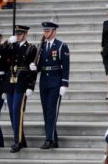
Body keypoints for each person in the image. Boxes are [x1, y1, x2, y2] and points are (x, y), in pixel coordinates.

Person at [37, 21, 70, 149]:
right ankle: (53, 138)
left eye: (48, 31)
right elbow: (40, 64)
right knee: (46, 111)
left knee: (52, 111)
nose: (46, 33)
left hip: (55, 82)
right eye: (44, 31)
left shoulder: (61, 46)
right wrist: (35, 67)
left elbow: (66, 66)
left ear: (54, 31)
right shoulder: (41, 46)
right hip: (44, 82)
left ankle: (49, 139)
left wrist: (64, 84)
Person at [6, 25, 38, 153]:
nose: (18, 36)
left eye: (20, 34)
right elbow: (2, 57)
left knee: (17, 112)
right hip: (10, 84)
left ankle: (17, 142)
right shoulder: (11, 46)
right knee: (11, 114)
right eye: (16, 34)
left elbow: (33, 70)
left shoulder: (31, 48)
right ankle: (21, 139)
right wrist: (7, 42)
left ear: (25, 34)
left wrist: (31, 86)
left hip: (22, 84)